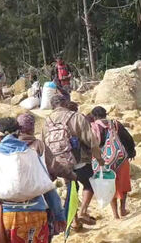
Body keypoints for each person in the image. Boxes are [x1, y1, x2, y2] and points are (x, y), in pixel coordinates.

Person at [43, 94, 102, 230]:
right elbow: (91, 140)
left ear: (53, 105)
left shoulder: (47, 121)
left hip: (60, 162)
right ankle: (83, 211)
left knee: (71, 189)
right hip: (79, 159)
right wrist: (99, 158)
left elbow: (44, 145)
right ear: (65, 103)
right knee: (89, 184)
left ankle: (74, 221)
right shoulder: (76, 117)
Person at [90, 107, 136, 220]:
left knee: (110, 185)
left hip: (104, 161)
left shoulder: (93, 126)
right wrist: (131, 152)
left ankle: (115, 214)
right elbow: (128, 139)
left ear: (94, 116)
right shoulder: (115, 124)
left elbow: (92, 144)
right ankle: (123, 209)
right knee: (124, 185)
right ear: (105, 114)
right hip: (120, 158)